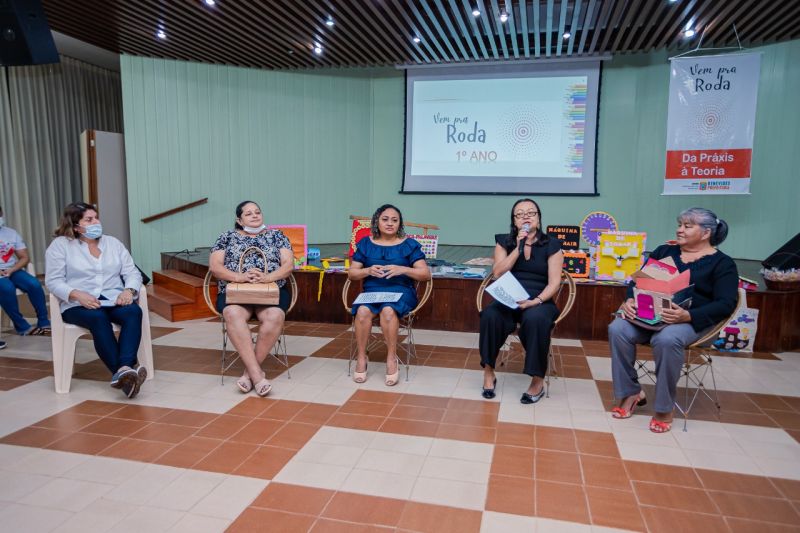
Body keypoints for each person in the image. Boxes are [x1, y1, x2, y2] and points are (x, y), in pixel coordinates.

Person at [609, 207, 738, 433]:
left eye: (687, 226)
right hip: (650, 316)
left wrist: (688, 315)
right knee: (617, 328)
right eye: (680, 225)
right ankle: (630, 392)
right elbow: (638, 282)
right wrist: (629, 300)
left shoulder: (722, 263)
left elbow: (726, 303)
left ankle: (663, 407)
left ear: (706, 233)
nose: (680, 230)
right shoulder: (664, 251)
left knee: (667, 339)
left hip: (691, 322)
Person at [45, 202, 146, 398]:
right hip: (77, 304)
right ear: (75, 226)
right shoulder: (60, 246)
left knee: (133, 312)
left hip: (113, 298)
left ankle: (124, 368)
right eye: (89, 220)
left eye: (96, 218)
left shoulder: (113, 243)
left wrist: (129, 290)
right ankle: (125, 376)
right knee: (98, 318)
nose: (96, 222)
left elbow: (132, 272)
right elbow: (53, 281)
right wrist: (77, 294)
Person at [479, 198, 563, 404]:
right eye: (520, 214)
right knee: (490, 315)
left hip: (539, 300)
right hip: (509, 298)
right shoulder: (504, 242)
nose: (526, 217)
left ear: (539, 218)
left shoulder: (552, 245)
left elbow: (554, 283)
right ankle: (488, 372)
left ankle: (537, 381)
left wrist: (537, 301)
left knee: (536, 319)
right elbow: (497, 273)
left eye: (531, 213)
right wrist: (518, 248)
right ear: (514, 221)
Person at [209, 200, 294, 397]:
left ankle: (249, 374)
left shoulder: (277, 236)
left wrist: (267, 277)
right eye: (248, 214)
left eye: (257, 212)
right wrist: (240, 277)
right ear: (239, 220)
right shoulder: (226, 237)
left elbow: (288, 265)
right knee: (232, 313)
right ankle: (257, 374)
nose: (255, 215)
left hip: (271, 291)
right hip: (236, 292)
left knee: (274, 316)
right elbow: (215, 267)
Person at [348, 204, 431, 386]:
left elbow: (425, 274)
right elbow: (352, 274)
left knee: (387, 310)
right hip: (372, 292)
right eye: (385, 219)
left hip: (401, 292)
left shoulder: (409, 245)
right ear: (376, 221)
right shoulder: (365, 244)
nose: (390, 223)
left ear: (400, 223)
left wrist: (403, 269)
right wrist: (367, 270)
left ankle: (391, 359)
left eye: (395, 220)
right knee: (362, 311)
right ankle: (361, 357)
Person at [0, 206, 51, 336]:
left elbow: (24, 257)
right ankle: (22, 326)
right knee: (7, 288)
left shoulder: (11, 233)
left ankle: (43, 321)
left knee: (34, 284)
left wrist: (12, 269)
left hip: (12, 269)